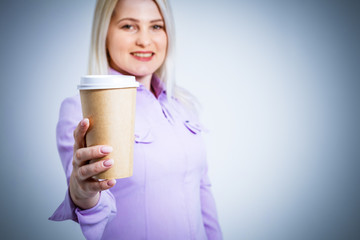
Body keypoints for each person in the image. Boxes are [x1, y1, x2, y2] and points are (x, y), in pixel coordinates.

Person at [49, 0, 222, 239]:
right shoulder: (81, 109)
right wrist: (82, 193)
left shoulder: (182, 105)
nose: (144, 40)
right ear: (104, 32)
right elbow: (92, 199)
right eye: (129, 26)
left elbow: (202, 189)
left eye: (156, 26)